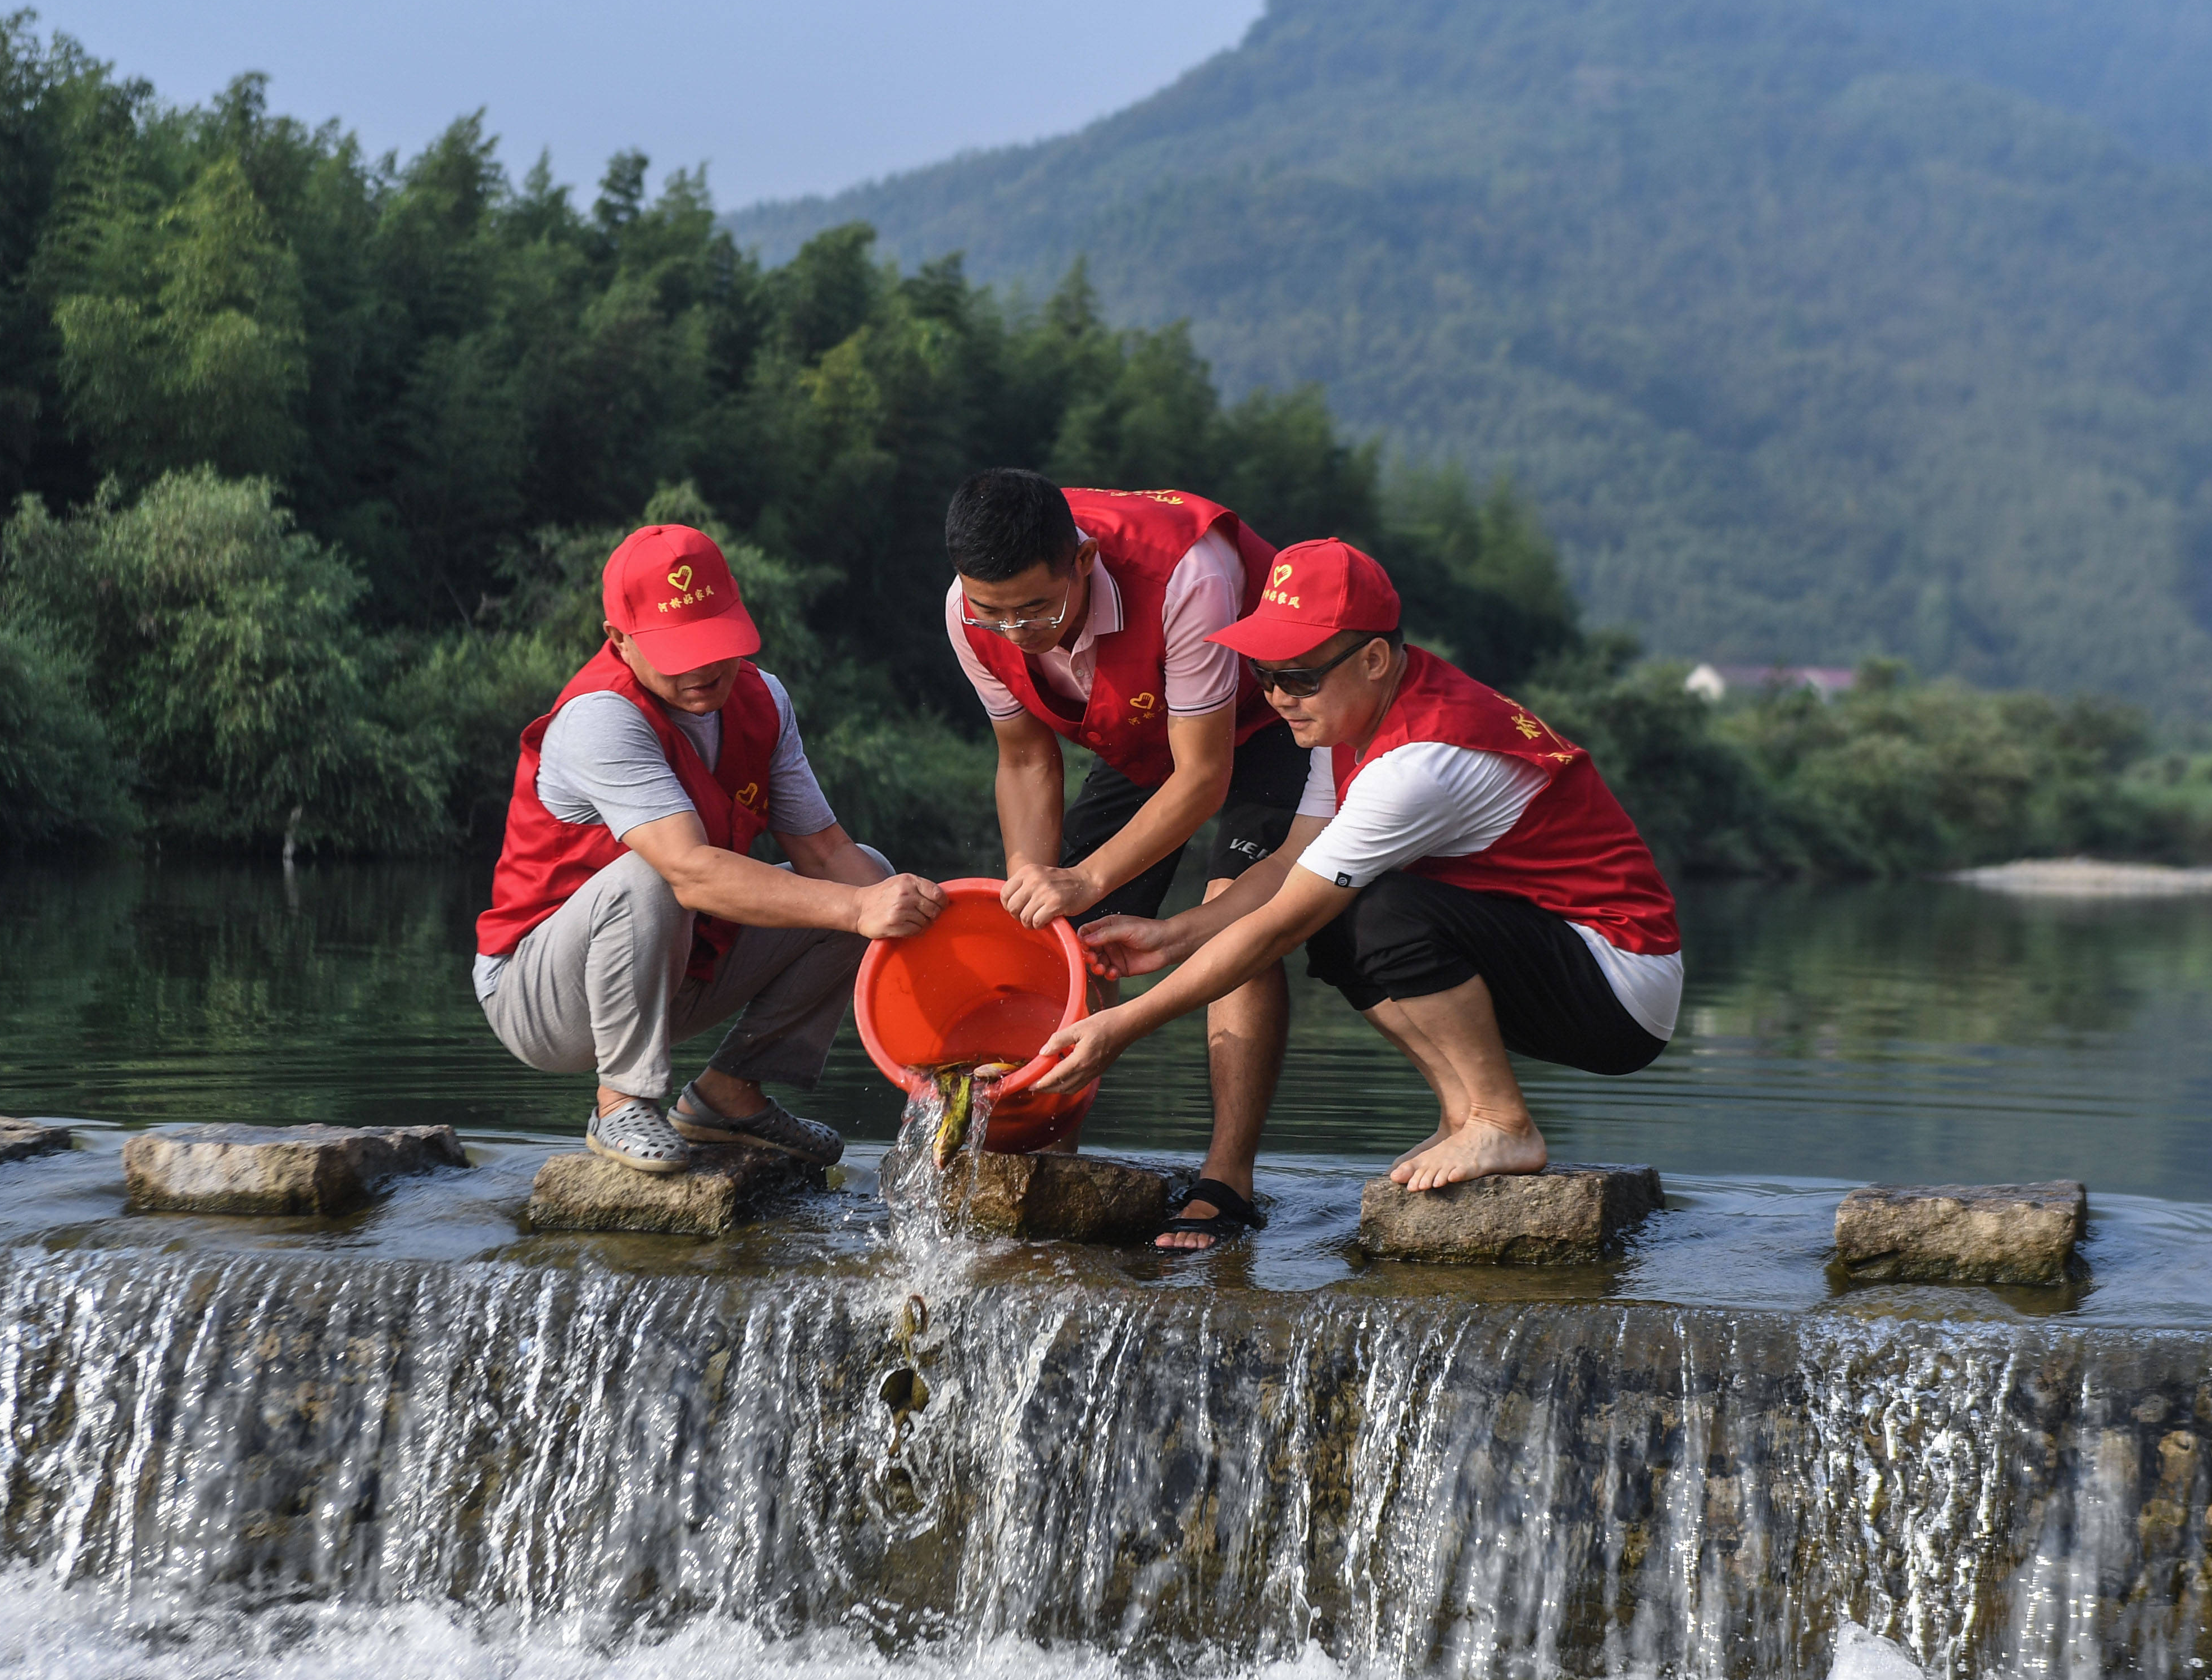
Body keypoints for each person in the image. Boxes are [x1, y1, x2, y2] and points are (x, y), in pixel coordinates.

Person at [1031, 537, 1680, 1192]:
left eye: (1301, 677)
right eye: (1266, 676)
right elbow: (1291, 863)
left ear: (1373, 659)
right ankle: (1465, 1115)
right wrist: (1173, 936)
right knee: (1344, 920)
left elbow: (1279, 926)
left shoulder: (1415, 764)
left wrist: (1121, 1025)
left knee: (1377, 910)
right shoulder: (1347, 722)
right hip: (1549, 952)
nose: (1280, 698)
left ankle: (1501, 1119)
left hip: (1618, 986)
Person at [475, 523, 943, 1174]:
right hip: (542, 994)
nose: (703, 668)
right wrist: (857, 908)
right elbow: (690, 873)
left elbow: (827, 854)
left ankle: (730, 1095)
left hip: (680, 967)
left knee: (875, 884)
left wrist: (937, 938)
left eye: (714, 642)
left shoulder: (764, 700)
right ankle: (621, 1102)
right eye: (677, 650)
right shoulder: (601, 717)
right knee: (656, 875)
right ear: (620, 641)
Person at [942, 470, 1306, 1249]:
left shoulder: (1188, 576)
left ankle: (1226, 1181)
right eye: (993, 612)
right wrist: (1033, 887)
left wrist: (1086, 876)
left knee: (1234, 911)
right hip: (1142, 733)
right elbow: (1026, 760)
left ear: (1082, 559)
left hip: (1261, 725)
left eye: (1036, 609)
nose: (1016, 631)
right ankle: (1047, 1141)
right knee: (1063, 932)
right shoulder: (969, 612)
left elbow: (1204, 776)